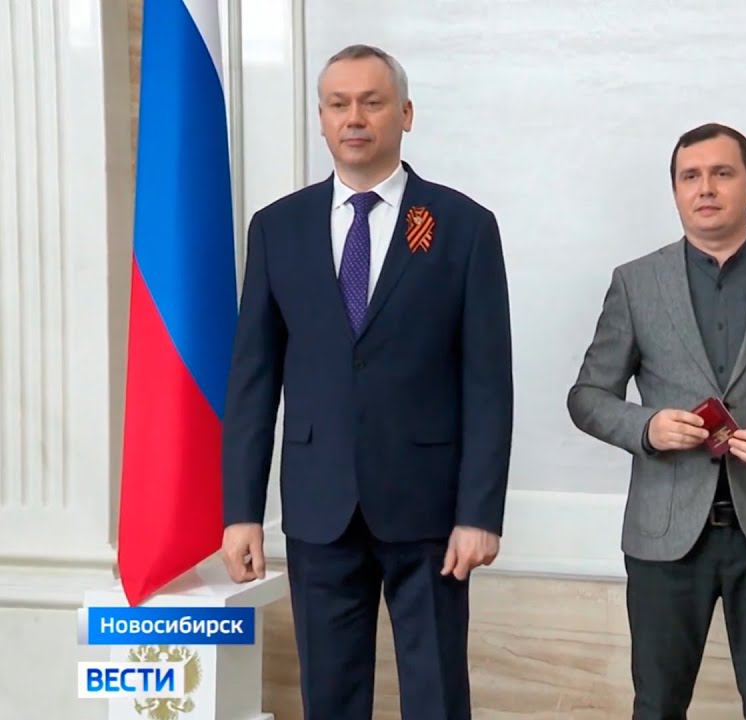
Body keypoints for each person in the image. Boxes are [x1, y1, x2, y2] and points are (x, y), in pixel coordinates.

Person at [219, 44, 512, 719]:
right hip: (318, 507)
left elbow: (488, 383)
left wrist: (479, 514)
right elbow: (253, 381)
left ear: (404, 113)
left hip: (429, 512)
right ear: (322, 118)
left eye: (372, 102)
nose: (355, 117)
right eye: (339, 104)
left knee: (437, 697)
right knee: (330, 698)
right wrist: (241, 511)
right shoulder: (278, 228)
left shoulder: (462, 226)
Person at [568, 123, 746, 719]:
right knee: (657, 705)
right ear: (675, 190)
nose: (705, 188)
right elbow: (588, 396)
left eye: (722, 173)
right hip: (665, 535)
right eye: (690, 176)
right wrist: (647, 428)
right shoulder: (636, 282)